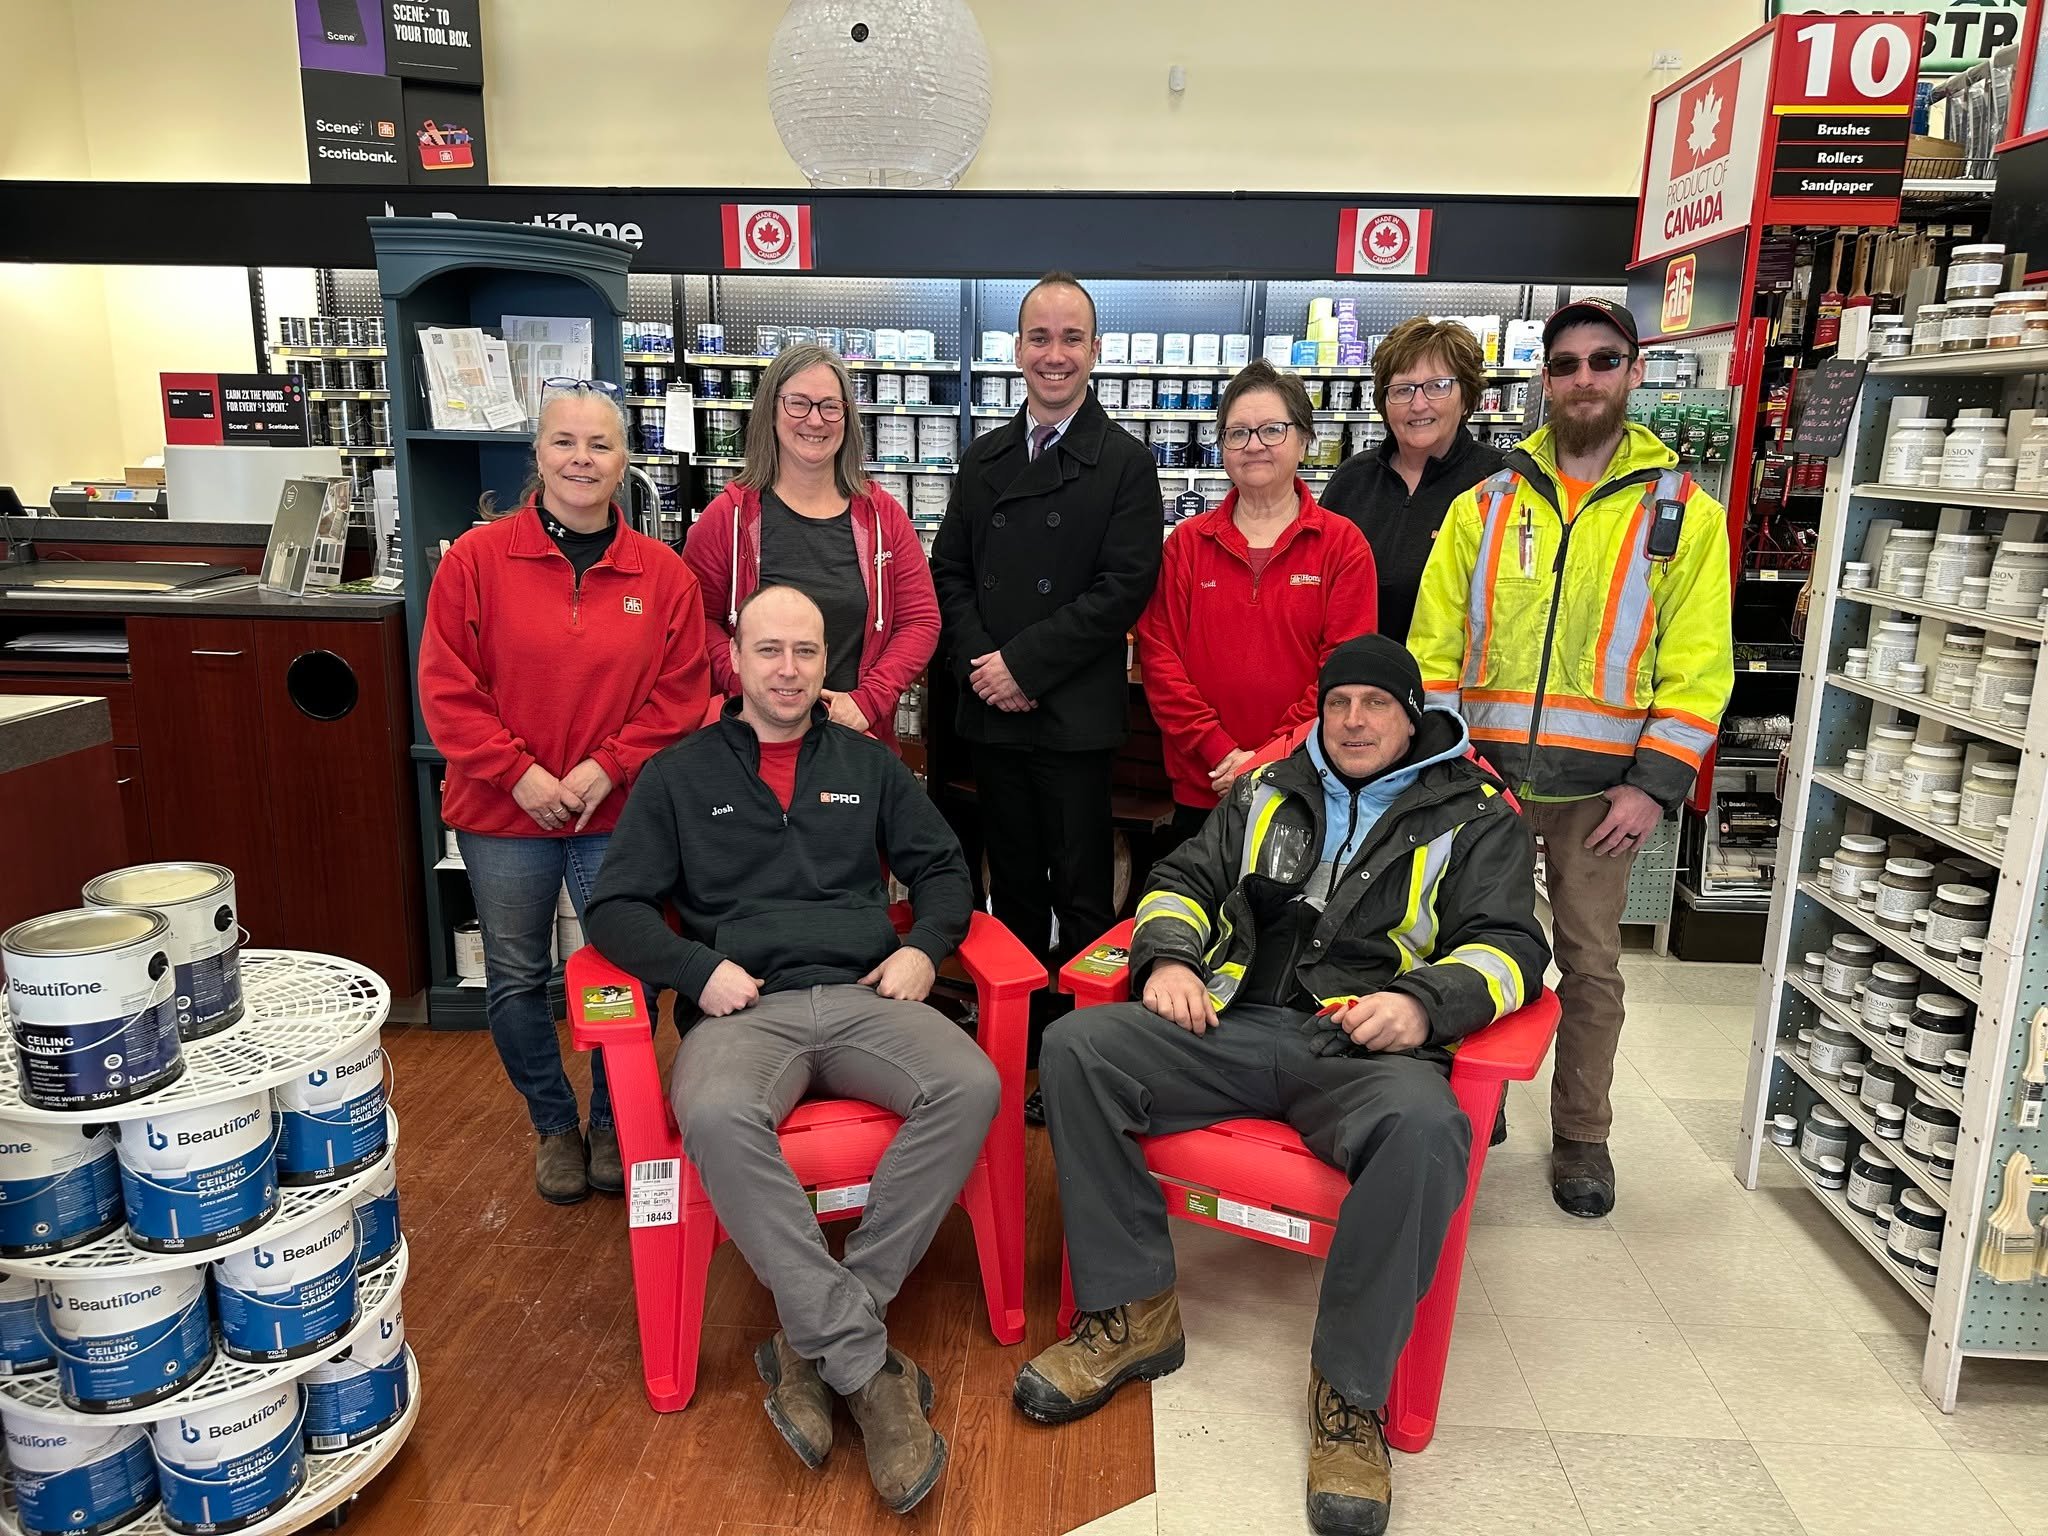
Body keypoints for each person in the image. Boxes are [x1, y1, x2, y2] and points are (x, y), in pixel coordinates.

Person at [1014, 635, 1548, 1536]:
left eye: (1375, 704)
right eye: (1339, 703)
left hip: (1366, 1050)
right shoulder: (1268, 787)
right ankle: (1131, 1315)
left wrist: (1422, 1004)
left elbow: (1514, 948)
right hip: (1233, 1023)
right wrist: (1170, 959)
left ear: (1411, 716)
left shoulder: (1476, 814)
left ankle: (1350, 1398)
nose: (1353, 721)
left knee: (1427, 1130)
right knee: (1075, 1048)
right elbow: (1182, 879)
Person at [584, 584, 994, 1518]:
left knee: (970, 1083)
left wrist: (923, 950)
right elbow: (614, 907)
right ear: (735, 657)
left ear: (825, 663)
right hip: (743, 1010)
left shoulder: (869, 764)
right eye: (769, 651)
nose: (788, 670)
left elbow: (940, 871)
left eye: (806, 653)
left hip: (861, 995)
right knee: (719, 1113)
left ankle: (820, 1336)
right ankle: (867, 1368)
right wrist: (696, 969)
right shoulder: (679, 776)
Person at [1409, 297, 1733, 1218]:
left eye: (1603, 361)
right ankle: (1483, 1098)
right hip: (1490, 785)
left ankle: (1584, 1135)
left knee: (1590, 966)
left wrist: (1654, 785)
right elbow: (1434, 650)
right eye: (1567, 365)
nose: (1584, 379)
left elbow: (1700, 662)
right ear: (1543, 381)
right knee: (1476, 945)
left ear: (1633, 373)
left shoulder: (1685, 514)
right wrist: (1451, 765)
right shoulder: (1486, 504)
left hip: (1605, 795)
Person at [419, 381, 709, 1206]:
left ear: (625, 462)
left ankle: (615, 1124)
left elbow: (680, 694)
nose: (582, 459)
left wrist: (603, 767)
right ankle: (554, 1126)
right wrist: (521, 773)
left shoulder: (661, 575)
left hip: (616, 809)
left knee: (628, 965)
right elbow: (447, 688)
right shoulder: (476, 561)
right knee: (515, 975)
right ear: (538, 454)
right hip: (501, 809)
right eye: (565, 442)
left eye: (601, 445)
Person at [928, 271, 1163, 1088]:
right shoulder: (982, 458)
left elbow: (1122, 588)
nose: (1054, 355)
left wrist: (1025, 665)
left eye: (1071, 339)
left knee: (1086, 892)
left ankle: (1083, 1049)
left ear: (1096, 352)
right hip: (994, 712)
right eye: (1039, 337)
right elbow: (948, 575)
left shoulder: (1126, 465)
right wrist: (987, 668)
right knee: (1014, 887)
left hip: (1072, 716)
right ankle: (1019, 1038)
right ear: (1017, 349)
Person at [1135, 358, 1378, 851]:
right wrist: (1222, 751)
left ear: (1304, 438)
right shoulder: (1186, 544)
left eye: (1272, 429)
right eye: (1238, 432)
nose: (1254, 445)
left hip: (1306, 785)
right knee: (1195, 921)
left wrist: (1272, 757)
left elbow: (1343, 674)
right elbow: (1160, 661)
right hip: (1204, 785)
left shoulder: (1342, 545)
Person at [683, 343, 939, 752]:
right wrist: (752, 692)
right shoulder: (727, 518)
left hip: (854, 740)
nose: (815, 420)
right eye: (798, 404)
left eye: (830, 406)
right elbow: (699, 622)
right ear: (771, 410)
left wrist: (868, 700)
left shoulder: (881, 516)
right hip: (751, 743)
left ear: (846, 418)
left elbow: (920, 620)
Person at [1320, 316, 1506, 642]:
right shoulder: (1352, 480)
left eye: (1437, 386)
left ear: (1466, 398)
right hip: (1360, 683)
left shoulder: (1498, 480)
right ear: (1384, 402)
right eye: (1402, 389)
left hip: (1452, 687)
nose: (1418, 404)